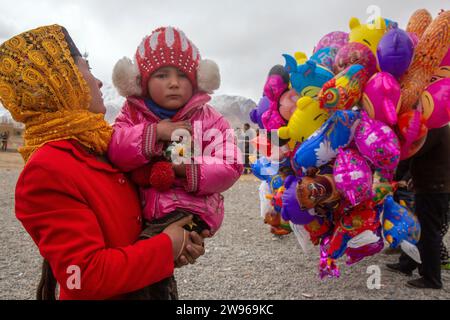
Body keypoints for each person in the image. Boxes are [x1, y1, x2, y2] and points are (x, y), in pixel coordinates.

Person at [0, 25, 206, 300]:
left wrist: (180, 244)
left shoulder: (101, 144)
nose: (98, 82)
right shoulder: (45, 170)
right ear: (60, 82)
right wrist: (166, 246)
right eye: (87, 69)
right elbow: (81, 276)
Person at [109, 26, 242, 298]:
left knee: (142, 265)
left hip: (192, 210)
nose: (174, 82)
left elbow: (230, 164)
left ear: (197, 80)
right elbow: (116, 150)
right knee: (153, 269)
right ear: (142, 82)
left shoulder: (209, 119)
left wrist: (183, 168)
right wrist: (155, 133)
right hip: (147, 213)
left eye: (183, 75)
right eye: (162, 75)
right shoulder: (132, 117)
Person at [386, 125, 450, 289]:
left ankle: (431, 278)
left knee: (428, 234)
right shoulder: (438, 127)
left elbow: (413, 151)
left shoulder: (435, 128)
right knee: (418, 229)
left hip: (433, 189)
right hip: (430, 187)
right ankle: (407, 264)